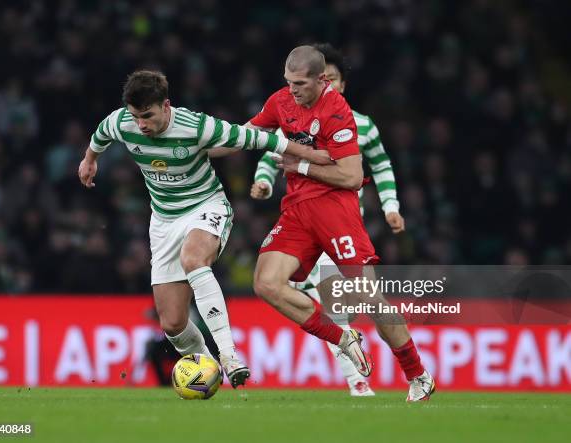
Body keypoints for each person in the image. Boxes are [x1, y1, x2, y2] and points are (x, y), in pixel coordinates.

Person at [78, 70, 330, 388]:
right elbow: (100, 134)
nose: (141, 124)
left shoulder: (197, 125)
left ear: (166, 106)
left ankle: (229, 356)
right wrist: (89, 160)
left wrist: (310, 154)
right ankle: (207, 371)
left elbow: (259, 138)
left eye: (147, 116)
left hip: (206, 206)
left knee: (194, 259)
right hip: (164, 220)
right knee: (172, 323)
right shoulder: (121, 122)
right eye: (135, 117)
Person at [248, 46, 435, 401]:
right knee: (268, 283)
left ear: (330, 82)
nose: (293, 90)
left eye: (301, 83)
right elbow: (261, 144)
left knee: (369, 297)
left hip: (339, 214)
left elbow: (359, 174)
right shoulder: (282, 103)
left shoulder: (347, 116)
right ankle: (347, 348)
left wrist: (391, 205)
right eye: (289, 83)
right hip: (299, 211)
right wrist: (201, 138)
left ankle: (417, 373)